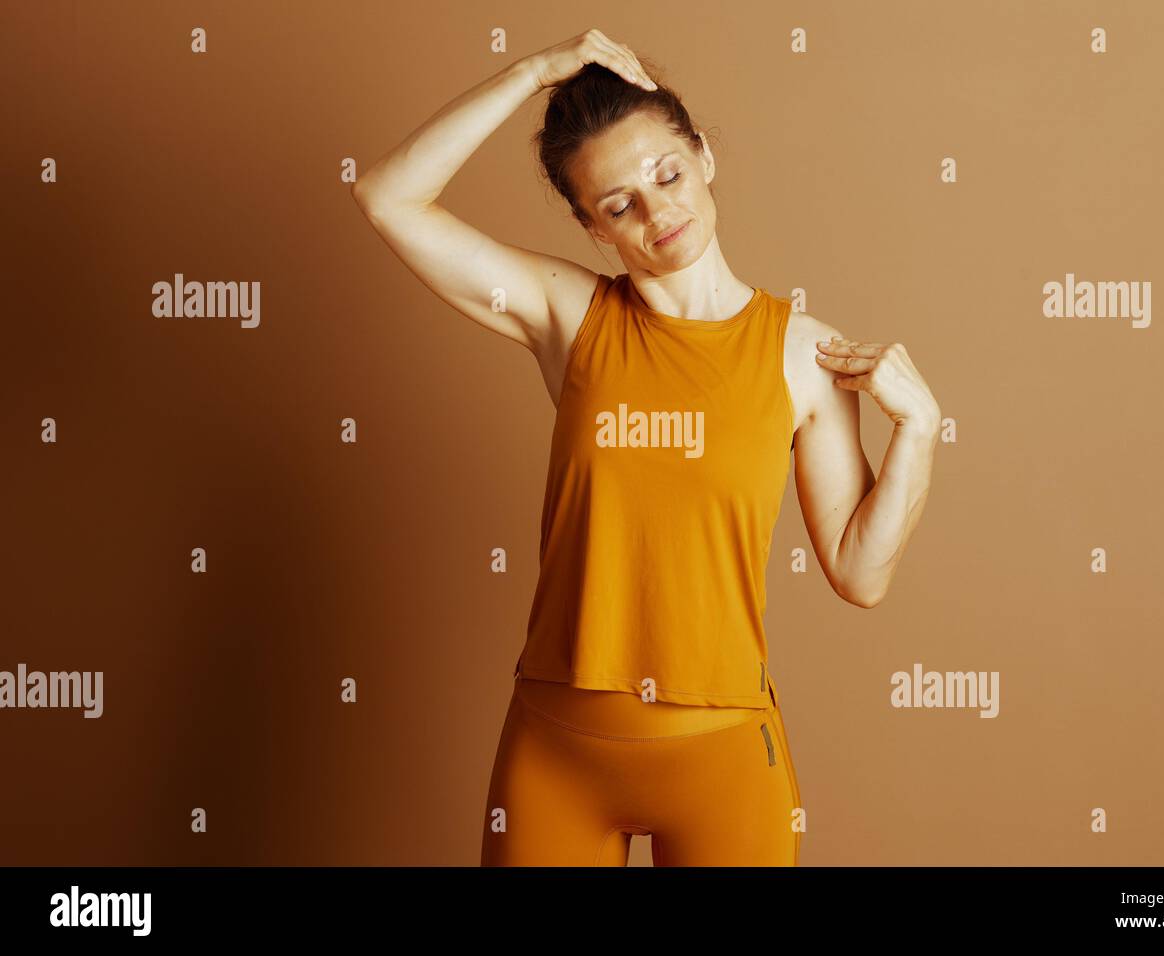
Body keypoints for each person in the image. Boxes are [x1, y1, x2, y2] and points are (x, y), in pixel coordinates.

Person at [352, 29, 941, 866]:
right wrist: (531, 71)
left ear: (703, 157)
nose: (659, 212)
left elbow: (859, 572)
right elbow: (387, 196)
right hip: (558, 751)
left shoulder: (800, 354)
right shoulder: (569, 314)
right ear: (591, 226)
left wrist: (918, 433)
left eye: (667, 173)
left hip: (723, 758)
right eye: (619, 203)